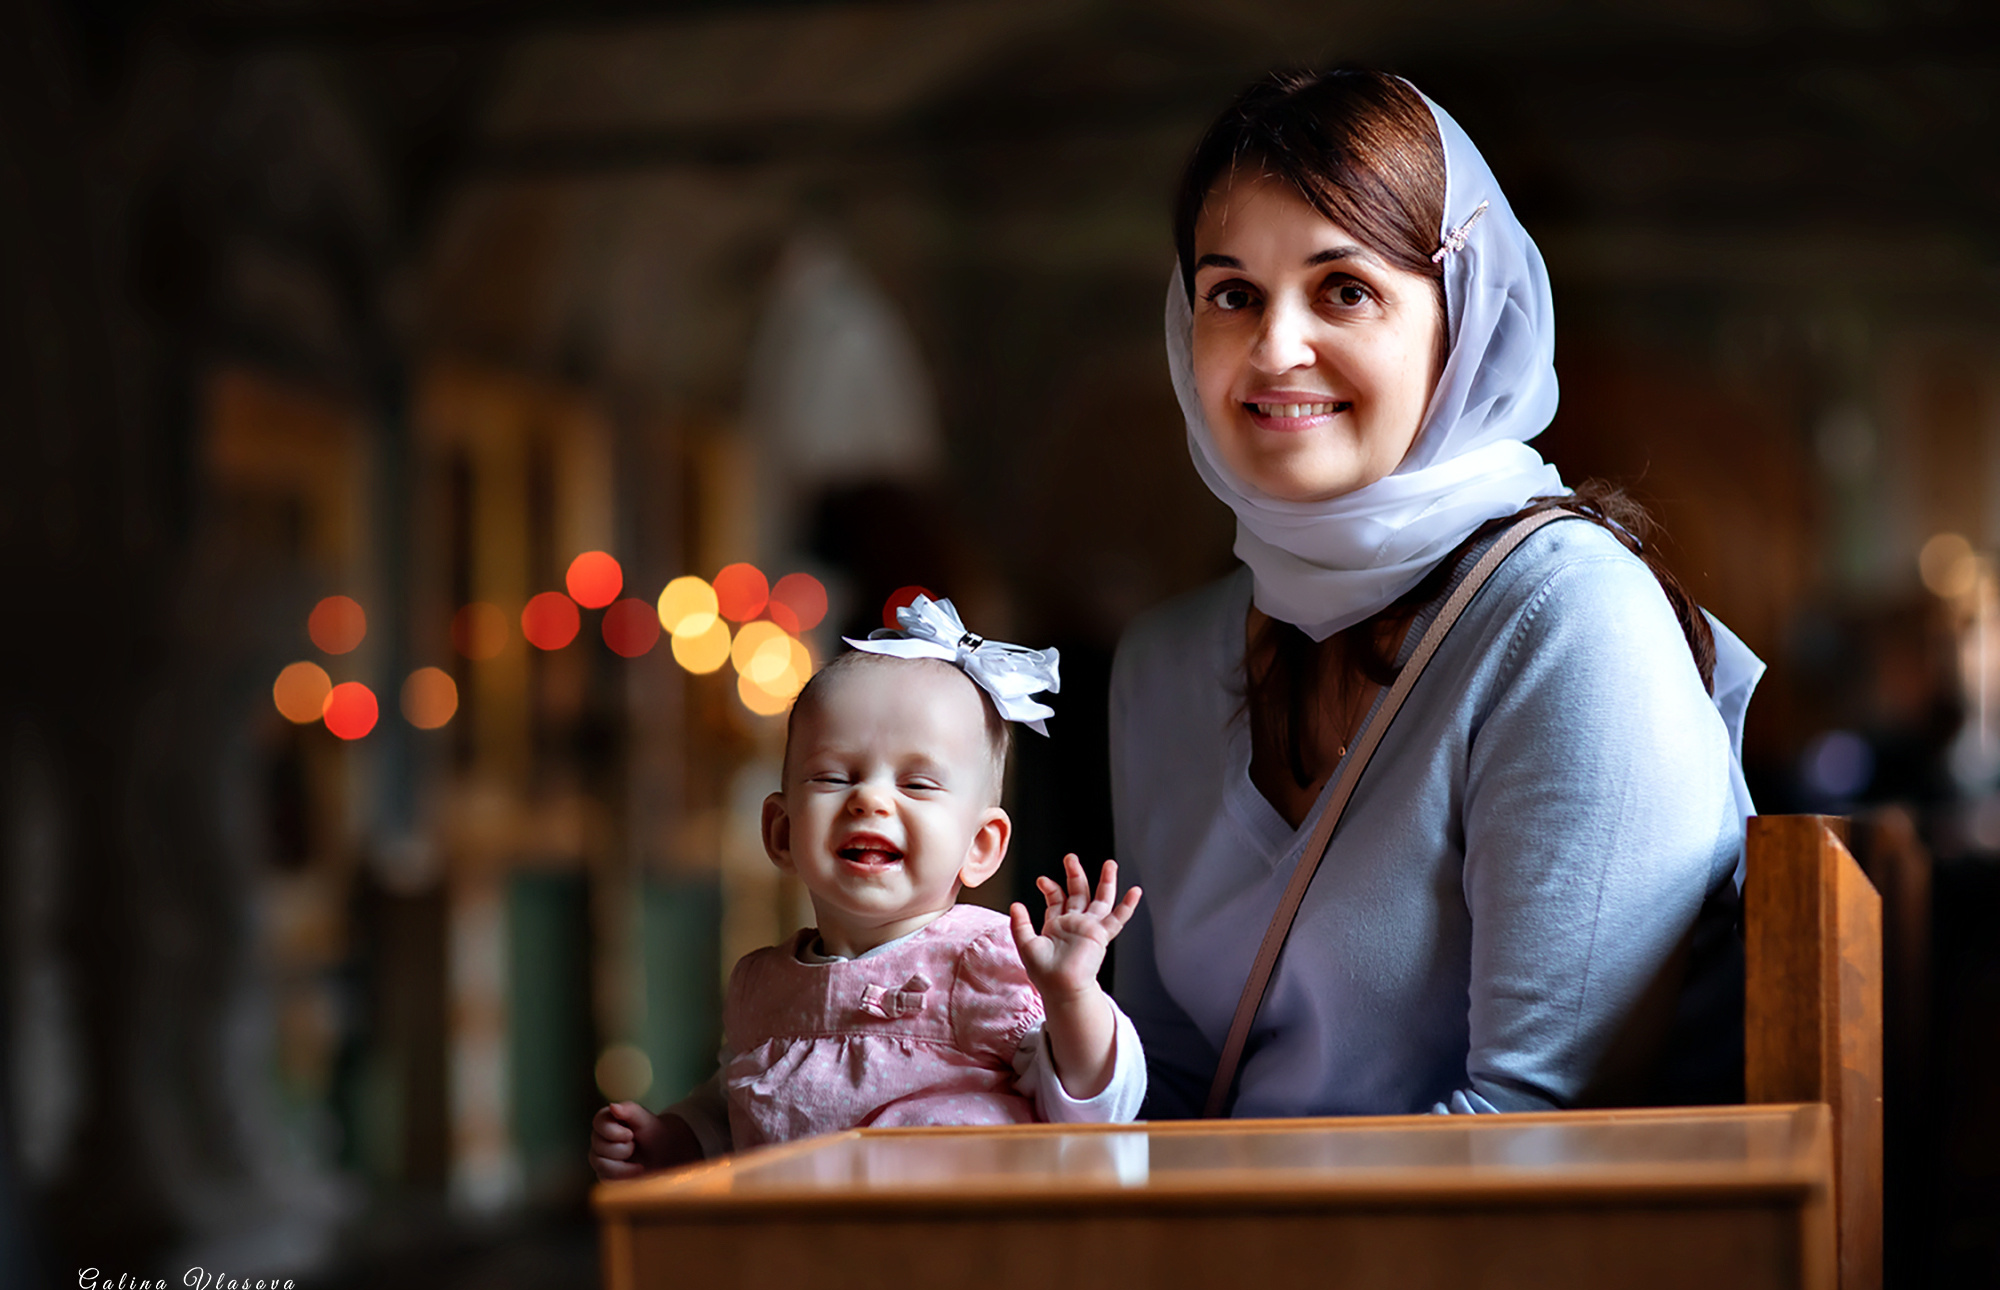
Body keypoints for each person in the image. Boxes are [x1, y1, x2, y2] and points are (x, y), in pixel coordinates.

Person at [1112, 69, 1763, 1119]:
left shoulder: (1567, 622)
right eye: (1230, 293)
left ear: (1458, 321)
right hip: (1212, 1265)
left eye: (1343, 288)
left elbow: (1537, 1127)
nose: (1275, 348)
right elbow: (1162, 1092)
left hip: (1480, 1270)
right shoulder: (1162, 666)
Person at [592, 598, 1146, 1176]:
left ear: (980, 846)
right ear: (781, 831)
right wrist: (675, 1138)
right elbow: (733, 1102)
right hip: (799, 1258)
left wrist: (1071, 997)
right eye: (834, 776)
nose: (870, 799)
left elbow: (1098, 1108)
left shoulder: (984, 965)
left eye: (917, 783)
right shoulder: (763, 986)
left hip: (960, 1255)